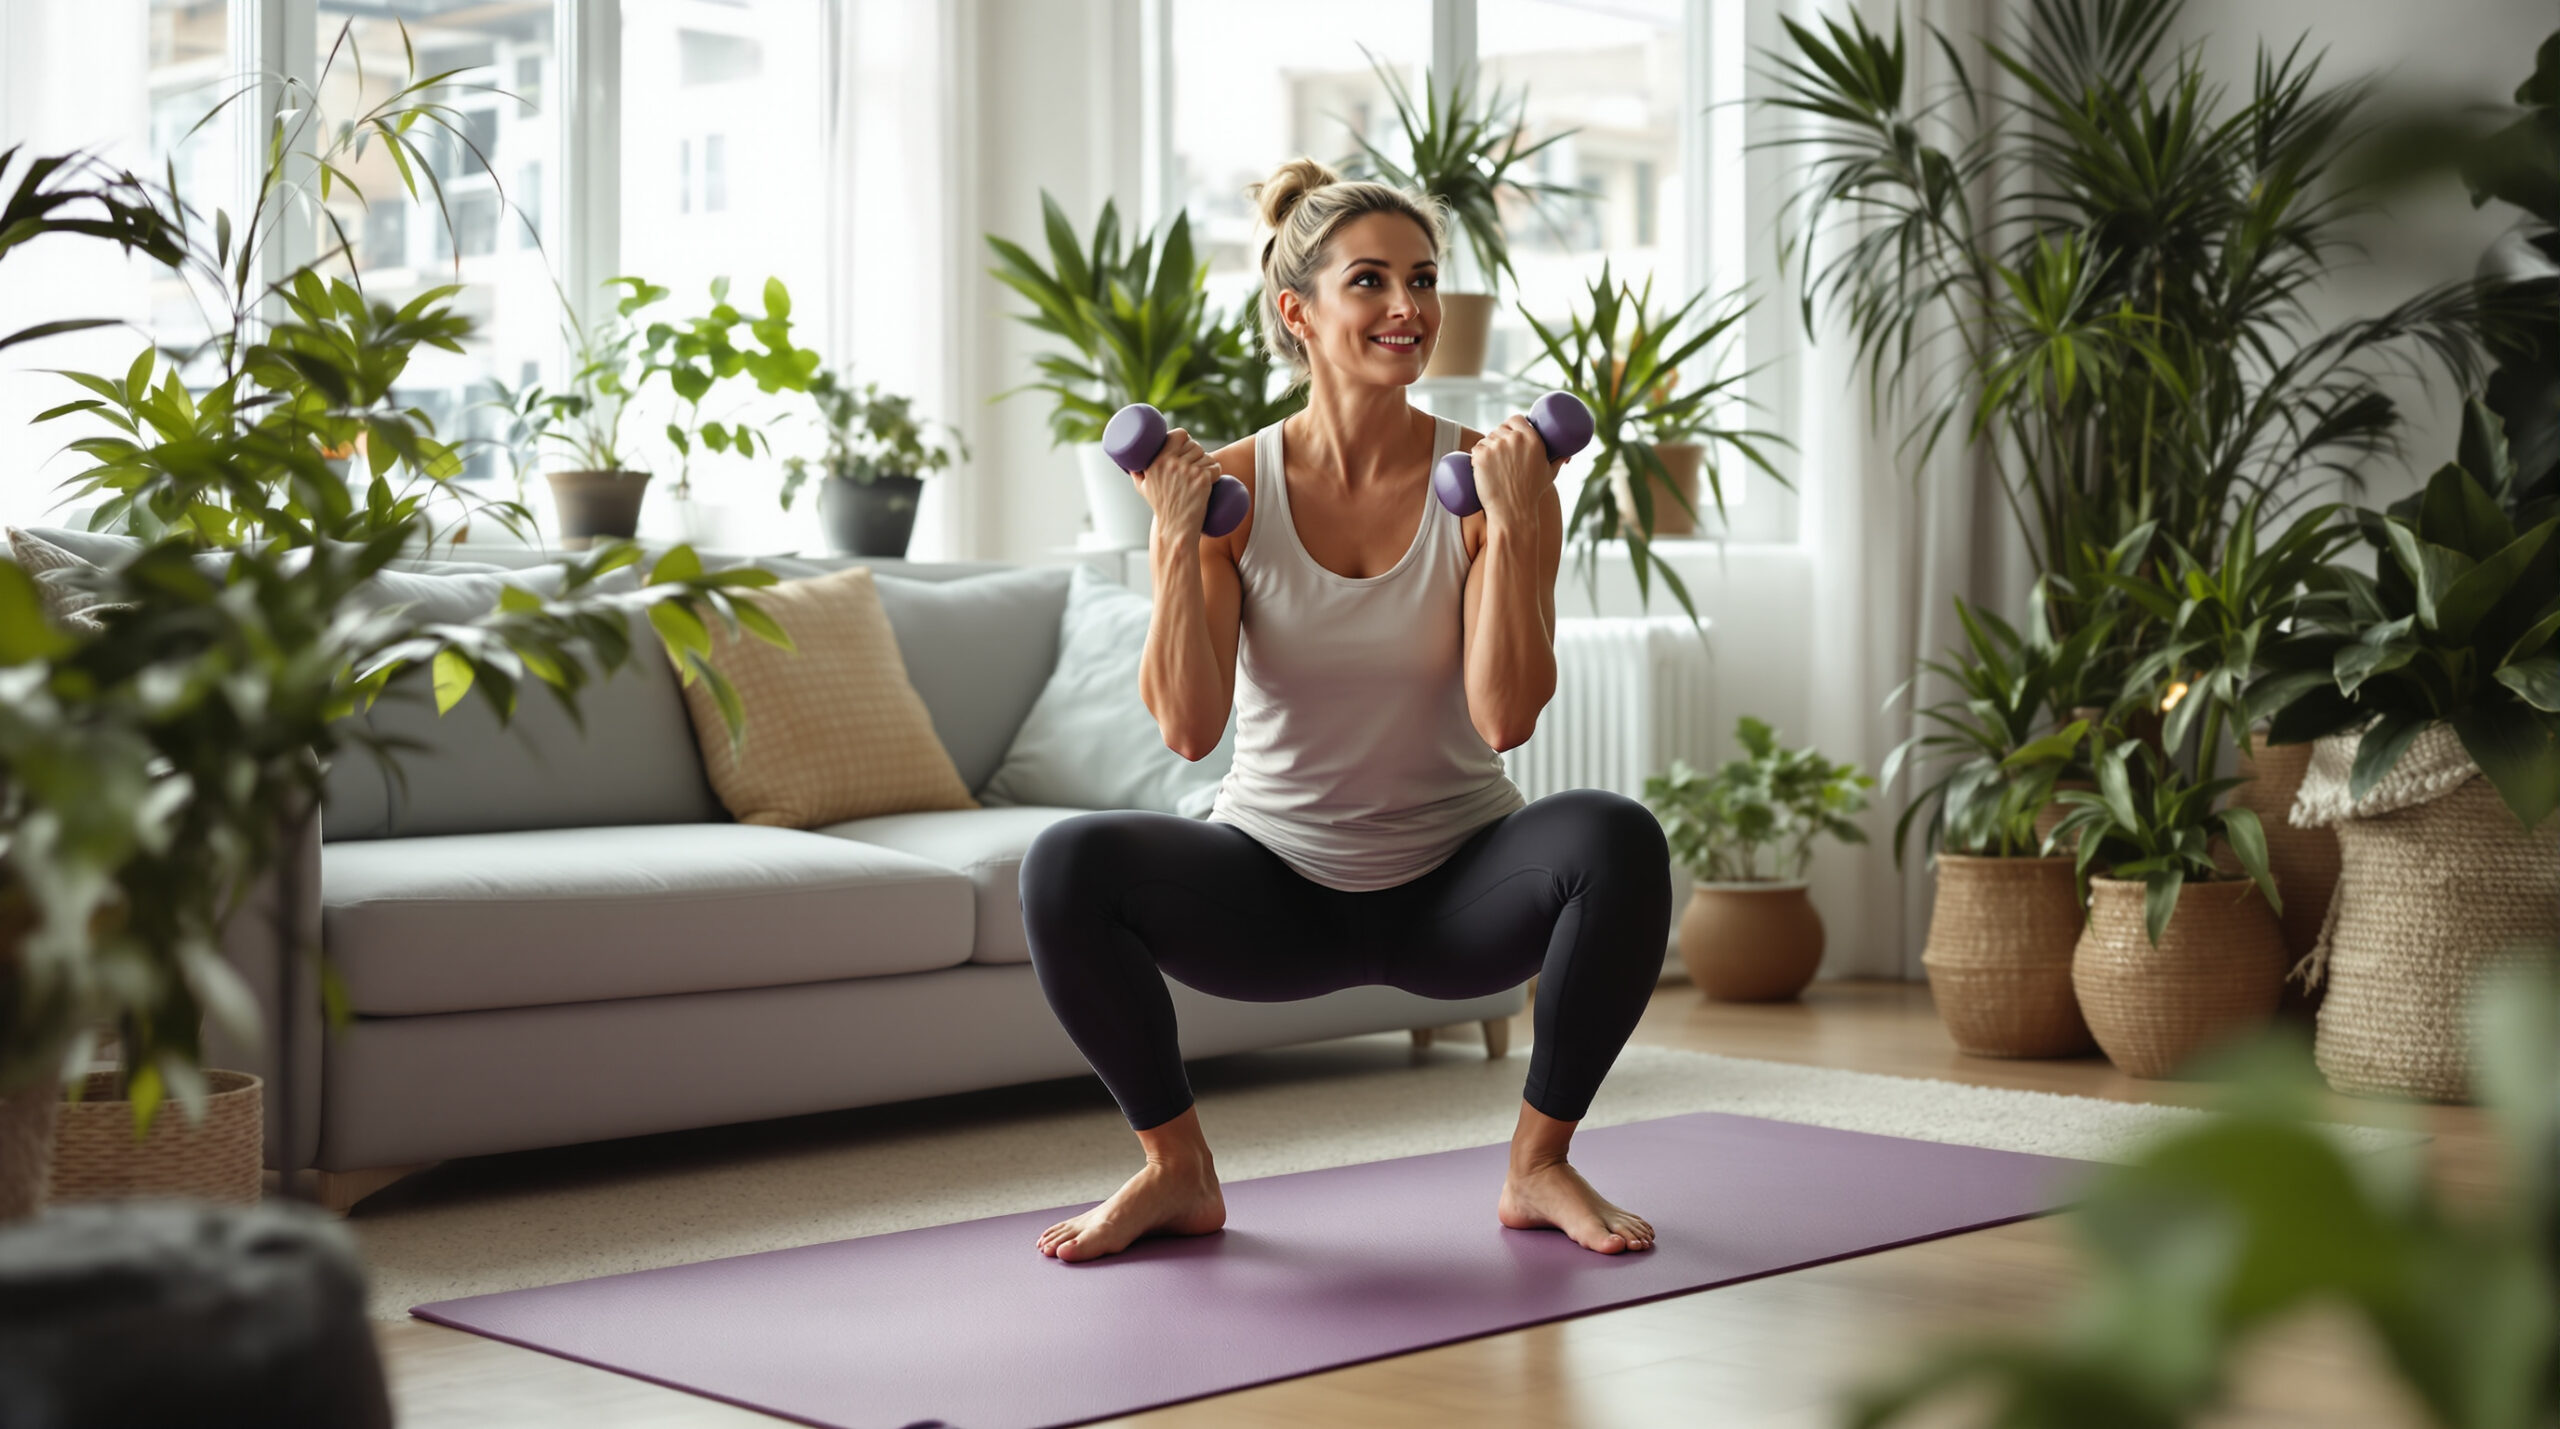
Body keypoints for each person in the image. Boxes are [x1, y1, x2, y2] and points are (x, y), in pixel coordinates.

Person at [1018, 157, 1672, 1264]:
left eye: (1422, 279)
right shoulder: (1228, 494)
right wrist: (1175, 539)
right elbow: (1188, 729)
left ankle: (1538, 1163)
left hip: (1459, 892)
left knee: (1617, 838)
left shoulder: (1494, 483)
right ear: (1298, 312)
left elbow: (1505, 717)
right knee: (1065, 865)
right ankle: (1176, 1169)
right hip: (1274, 890)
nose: (1407, 306)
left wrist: (1517, 528)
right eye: (1369, 281)